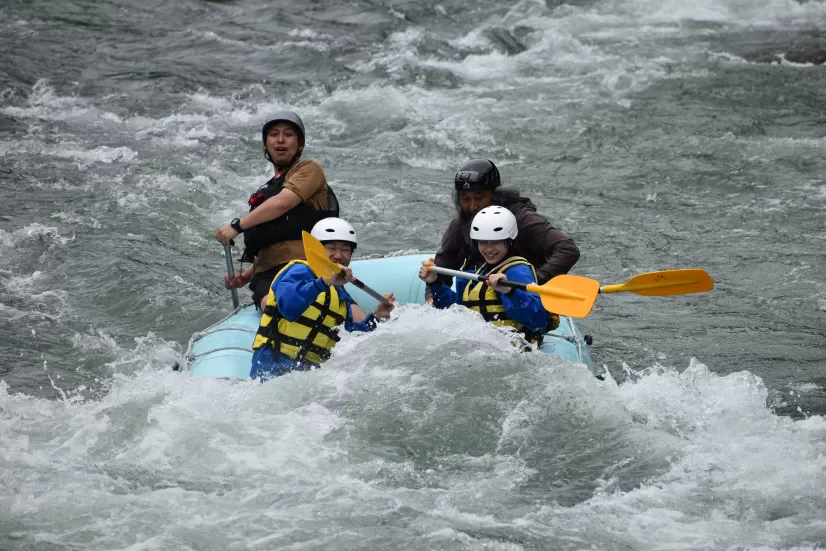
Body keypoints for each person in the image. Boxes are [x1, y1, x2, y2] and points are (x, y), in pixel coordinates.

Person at [215, 110, 339, 307]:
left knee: (283, 305)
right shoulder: (265, 192)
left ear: (300, 145)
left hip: (306, 268)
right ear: (266, 145)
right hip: (267, 277)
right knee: (271, 304)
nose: (280, 140)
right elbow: (274, 244)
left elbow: (283, 203)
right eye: (273, 134)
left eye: (288, 134)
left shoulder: (309, 170)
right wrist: (246, 276)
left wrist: (236, 226)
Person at [251, 217, 395, 380]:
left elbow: (352, 339)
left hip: (308, 375)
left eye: (345, 250)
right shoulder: (299, 270)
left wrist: (377, 316)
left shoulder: (339, 294)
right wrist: (324, 282)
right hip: (273, 364)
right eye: (331, 248)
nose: (338, 255)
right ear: (316, 250)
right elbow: (289, 306)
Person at [419, 206, 559, 344]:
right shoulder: (477, 273)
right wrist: (434, 282)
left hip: (515, 352)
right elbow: (456, 312)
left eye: (496, 242)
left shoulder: (517, 271)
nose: (489, 248)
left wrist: (510, 292)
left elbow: (539, 320)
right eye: (483, 242)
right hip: (480, 349)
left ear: (509, 240)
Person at [434, 158, 579, 286]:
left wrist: (536, 279)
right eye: (465, 199)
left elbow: (567, 249)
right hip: (483, 297)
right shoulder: (459, 225)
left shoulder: (523, 219)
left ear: (495, 195)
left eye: (479, 197)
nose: (472, 206)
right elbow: (444, 265)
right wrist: (433, 291)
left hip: (526, 298)